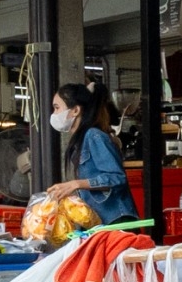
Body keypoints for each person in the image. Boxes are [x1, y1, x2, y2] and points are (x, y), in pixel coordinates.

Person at [43, 83, 136, 223]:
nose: (54, 114)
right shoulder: (80, 140)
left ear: (75, 110)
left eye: (57, 108)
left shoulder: (93, 136)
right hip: (101, 222)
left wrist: (76, 184)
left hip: (116, 221)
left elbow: (117, 177)